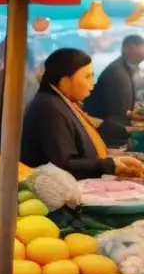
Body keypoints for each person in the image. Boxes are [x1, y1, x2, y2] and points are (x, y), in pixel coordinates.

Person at [21, 48, 144, 180]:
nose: (93, 82)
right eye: (87, 76)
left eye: (92, 75)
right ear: (65, 81)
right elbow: (64, 165)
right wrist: (109, 165)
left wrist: (115, 158)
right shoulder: (49, 110)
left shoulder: (61, 103)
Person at [83, 34, 144, 147]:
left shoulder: (123, 68)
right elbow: (117, 114)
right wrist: (124, 141)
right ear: (130, 48)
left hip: (110, 131)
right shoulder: (118, 74)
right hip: (108, 137)